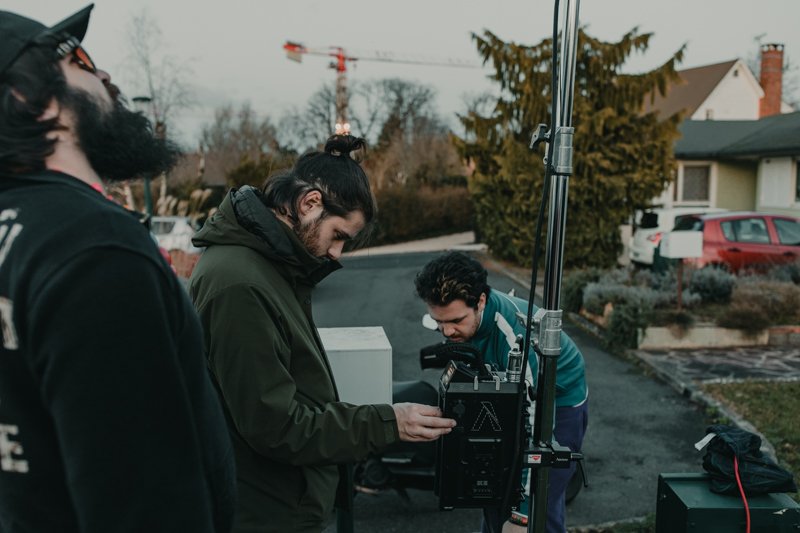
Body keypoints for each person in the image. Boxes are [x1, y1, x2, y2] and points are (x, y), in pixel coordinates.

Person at [0, 5, 236, 532]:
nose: (104, 74)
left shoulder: (25, 237)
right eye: (79, 61)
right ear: (27, 100)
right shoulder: (93, 247)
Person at [188, 134, 456, 533]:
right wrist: (388, 423)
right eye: (339, 235)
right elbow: (276, 427)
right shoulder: (240, 283)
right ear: (309, 203)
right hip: (268, 513)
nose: (336, 253)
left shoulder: (271, 266)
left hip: (283, 501)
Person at [414, 251, 588, 533]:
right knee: (492, 489)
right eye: (439, 322)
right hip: (503, 388)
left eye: (456, 320)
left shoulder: (515, 336)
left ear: (481, 301)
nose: (446, 332)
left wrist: (522, 516)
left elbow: (535, 432)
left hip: (557, 402)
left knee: (541, 506)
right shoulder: (462, 323)